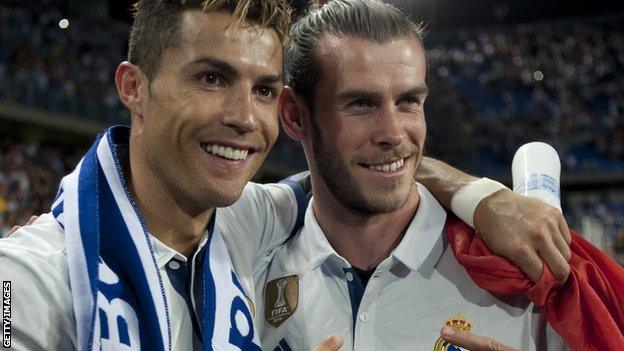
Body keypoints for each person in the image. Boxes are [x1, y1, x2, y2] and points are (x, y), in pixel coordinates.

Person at [0, 1, 573, 350]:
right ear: (133, 87)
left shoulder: (247, 221)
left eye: (264, 90)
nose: (244, 118)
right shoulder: (29, 278)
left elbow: (358, 167)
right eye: (210, 79)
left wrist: (479, 195)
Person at [254, 1, 573, 349]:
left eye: (408, 100)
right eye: (361, 103)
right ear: (294, 116)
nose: (393, 132)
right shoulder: (244, 272)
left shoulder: (522, 273)